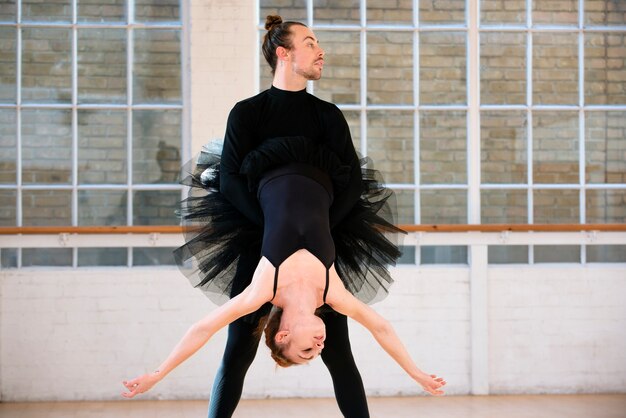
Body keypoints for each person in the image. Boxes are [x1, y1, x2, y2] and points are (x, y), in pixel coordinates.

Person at [121, 15, 446, 414]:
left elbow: (352, 183)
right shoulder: (248, 113)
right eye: (310, 43)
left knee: (339, 354)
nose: (320, 50)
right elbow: (234, 180)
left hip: (316, 223)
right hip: (259, 226)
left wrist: (316, 222)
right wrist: (271, 223)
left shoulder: (326, 116)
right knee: (238, 350)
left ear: (287, 335)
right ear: (284, 52)